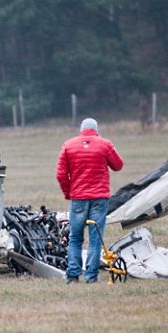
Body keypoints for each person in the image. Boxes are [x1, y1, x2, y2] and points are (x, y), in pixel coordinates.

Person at [56, 118, 124, 284]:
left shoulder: (68, 145)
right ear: (96, 130)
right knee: (95, 239)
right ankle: (91, 277)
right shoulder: (104, 144)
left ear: (81, 130)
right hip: (99, 199)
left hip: (78, 198)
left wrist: (68, 193)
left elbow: (61, 174)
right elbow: (118, 165)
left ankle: (72, 275)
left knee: (75, 238)